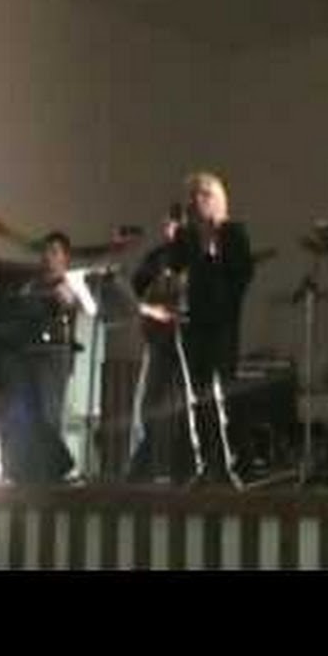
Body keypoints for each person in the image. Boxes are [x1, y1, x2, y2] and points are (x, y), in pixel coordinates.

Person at [168, 171, 255, 489]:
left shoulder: (233, 232)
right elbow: (173, 269)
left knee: (225, 393)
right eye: (193, 195)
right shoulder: (185, 235)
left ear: (217, 198)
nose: (197, 201)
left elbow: (243, 274)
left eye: (204, 194)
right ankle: (205, 464)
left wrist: (214, 254)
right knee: (197, 396)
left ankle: (236, 464)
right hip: (192, 322)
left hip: (222, 322)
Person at [0, 231, 79, 484]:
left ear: (66, 257)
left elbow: (70, 305)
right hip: (27, 353)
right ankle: (23, 467)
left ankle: (52, 470)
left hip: (54, 354)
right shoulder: (32, 286)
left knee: (49, 411)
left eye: (55, 251)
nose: (48, 256)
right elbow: (18, 310)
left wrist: (58, 295)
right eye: (46, 251)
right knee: (25, 411)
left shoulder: (69, 284)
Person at [126, 202, 194, 484]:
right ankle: (142, 466)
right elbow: (134, 294)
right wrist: (154, 310)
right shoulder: (156, 257)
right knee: (150, 403)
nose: (170, 230)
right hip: (159, 338)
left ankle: (186, 468)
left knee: (190, 404)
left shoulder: (201, 255)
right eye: (168, 224)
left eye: (176, 224)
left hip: (191, 339)